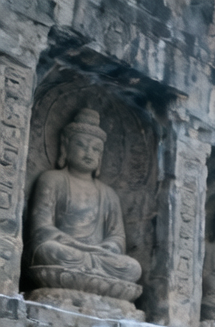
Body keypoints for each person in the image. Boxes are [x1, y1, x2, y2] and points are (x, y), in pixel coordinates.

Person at [26, 107, 143, 299]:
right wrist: (71, 243)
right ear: (66, 147)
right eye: (81, 145)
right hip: (65, 252)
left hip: (99, 257)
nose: (89, 152)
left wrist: (109, 247)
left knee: (132, 267)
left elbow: (117, 238)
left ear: (101, 155)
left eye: (95, 149)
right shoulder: (52, 179)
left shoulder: (109, 194)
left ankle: (88, 274)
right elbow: (41, 228)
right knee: (47, 251)